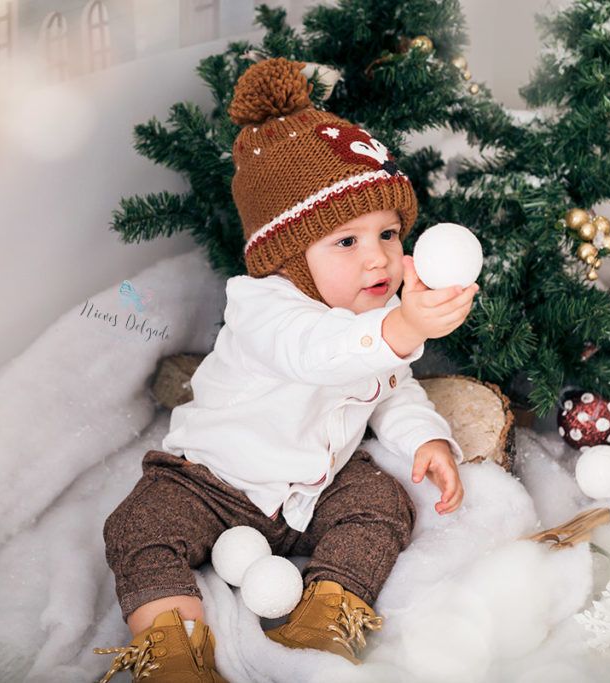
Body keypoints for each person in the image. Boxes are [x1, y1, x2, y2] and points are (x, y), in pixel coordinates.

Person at [93, 57, 479, 683]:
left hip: (311, 488)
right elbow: (322, 351)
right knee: (138, 525)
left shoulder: (373, 315)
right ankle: (171, 646)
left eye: (388, 233)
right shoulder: (265, 308)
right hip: (210, 479)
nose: (378, 258)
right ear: (289, 259)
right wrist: (405, 328)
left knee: (380, 504)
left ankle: (328, 614)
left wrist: (425, 437)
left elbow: (389, 386)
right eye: (346, 243)